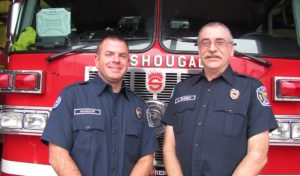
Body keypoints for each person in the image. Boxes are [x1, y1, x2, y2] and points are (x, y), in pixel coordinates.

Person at [162, 22, 278, 176]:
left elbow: (258, 154)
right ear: (199, 50)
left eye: (220, 42)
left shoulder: (251, 89)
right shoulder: (181, 89)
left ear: (231, 49)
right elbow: (169, 147)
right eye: (205, 43)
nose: (212, 48)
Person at [41, 35, 158, 176]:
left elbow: (146, 158)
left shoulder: (139, 106)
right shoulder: (72, 96)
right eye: (109, 54)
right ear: (97, 60)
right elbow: (57, 154)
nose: (116, 60)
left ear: (128, 62)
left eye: (122, 56)